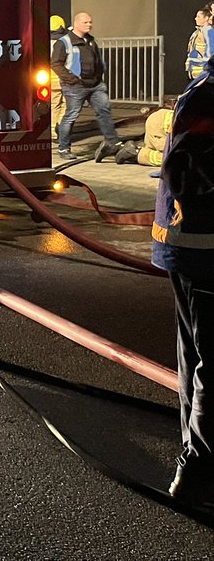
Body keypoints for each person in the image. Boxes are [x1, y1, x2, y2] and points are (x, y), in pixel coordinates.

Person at [153, 56, 214, 508]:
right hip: (202, 251)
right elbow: (185, 170)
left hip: (193, 249)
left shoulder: (204, 90)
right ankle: (198, 469)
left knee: (197, 357)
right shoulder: (208, 96)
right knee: (207, 362)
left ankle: (195, 466)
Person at [50, 11, 124, 161]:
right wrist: (71, 79)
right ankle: (64, 148)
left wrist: (99, 76)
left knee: (104, 111)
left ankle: (114, 143)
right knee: (71, 115)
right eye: (86, 22)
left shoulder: (90, 41)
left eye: (90, 22)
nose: (89, 25)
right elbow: (56, 63)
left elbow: (97, 59)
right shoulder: (64, 42)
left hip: (95, 85)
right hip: (76, 86)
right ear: (76, 24)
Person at [49, 14, 69, 141]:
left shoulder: (44, 43)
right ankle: (61, 127)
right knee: (67, 105)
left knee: (54, 105)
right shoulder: (66, 43)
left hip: (50, 80)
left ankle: (52, 131)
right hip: (66, 78)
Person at [186, 5, 214, 81]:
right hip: (196, 73)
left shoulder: (209, 32)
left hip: (204, 73)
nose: (195, 19)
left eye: (198, 16)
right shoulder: (196, 33)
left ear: (206, 18)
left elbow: (210, 53)